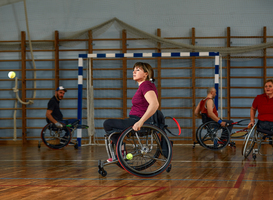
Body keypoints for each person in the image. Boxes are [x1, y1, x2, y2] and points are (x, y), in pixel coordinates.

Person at [103, 62, 159, 162]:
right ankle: (121, 152)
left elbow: (154, 104)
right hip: (134, 119)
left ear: (146, 74)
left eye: (138, 70)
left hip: (139, 120)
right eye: (133, 69)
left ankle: (121, 152)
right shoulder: (145, 86)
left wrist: (140, 122)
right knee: (112, 127)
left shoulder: (146, 85)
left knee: (108, 123)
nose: (134, 72)